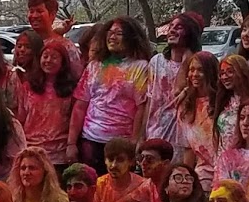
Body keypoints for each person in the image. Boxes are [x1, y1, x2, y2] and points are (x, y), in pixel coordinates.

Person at [67, 17, 151, 173]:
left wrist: (135, 141)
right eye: (110, 32)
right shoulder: (94, 65)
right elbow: (80, 105)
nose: (112, 37)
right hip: (90, 139)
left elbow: (142, 108)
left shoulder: (140, 67)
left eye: (119, 33)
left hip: (121, 142)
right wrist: (71, 143)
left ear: (131, 37)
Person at [141, 12, 203, 144]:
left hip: (184, 138)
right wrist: (141, 136)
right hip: (156, 133)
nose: (172, 30)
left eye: (179, 27)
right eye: (171, 26)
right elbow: (149, 101)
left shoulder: (198, 67)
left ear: (190, 34)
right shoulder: (156, 62)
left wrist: (186, 63)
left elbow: (180, 94)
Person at [19, 36, 77, 173]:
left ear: (63, 62)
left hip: (59, 152)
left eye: (54, 57)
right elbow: (21, 117)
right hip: (31, 149)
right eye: (45, 56)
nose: (48, 61)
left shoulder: (71, 89)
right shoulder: (28, 87)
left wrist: (71, 145)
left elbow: (74, 120)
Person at [174, 51, 219, 186]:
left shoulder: (222, 101)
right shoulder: (185, 106)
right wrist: (186, 178)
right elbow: (188, 148)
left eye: (200, 70)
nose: (194, 74)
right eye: (191, 70)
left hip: (225, 168)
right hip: (202, 171)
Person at [213, 54, 249, 151]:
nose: (225, 77)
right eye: (222, 73)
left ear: (242, 73)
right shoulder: (222, 101)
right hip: (223, 159)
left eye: (230, 72)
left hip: (244, 158)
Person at [27, 0, 79, 67]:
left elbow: (76, 74)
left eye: (39, 11)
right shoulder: (25, 43)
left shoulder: (65, 46)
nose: (34, 16)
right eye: (31, 11)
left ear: (52, 14)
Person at [9, 29, 43, 119]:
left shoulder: (43, 77)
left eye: (28, 47)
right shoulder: (10, 73)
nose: (22, 50)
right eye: (19, 46)